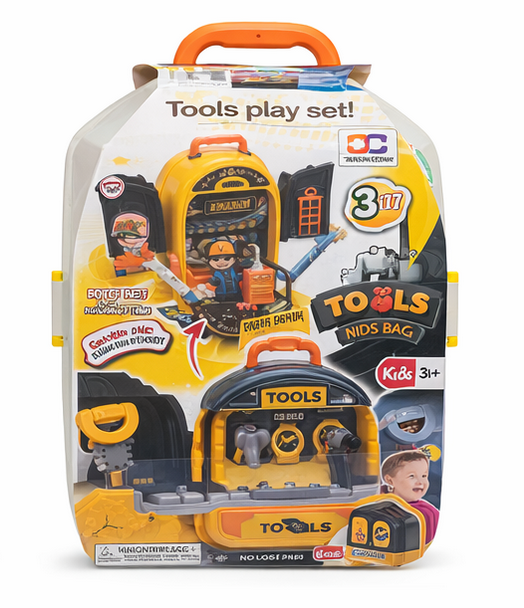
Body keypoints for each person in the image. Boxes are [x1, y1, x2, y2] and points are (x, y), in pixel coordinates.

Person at [381, 450, 439, 544]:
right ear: (390, 480)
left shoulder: (428, 510)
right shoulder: (382, 507)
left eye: (424, 476)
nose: (420, 482)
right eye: (412, 476)